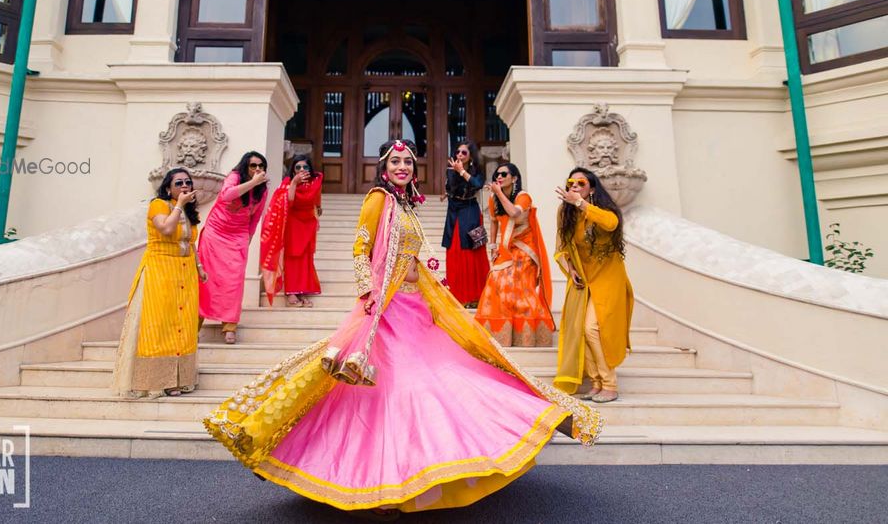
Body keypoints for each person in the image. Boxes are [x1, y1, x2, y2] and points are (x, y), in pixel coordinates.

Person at [204, 140, 602, 516]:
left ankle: (420, 477)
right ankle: (381, 486)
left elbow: (415, 256)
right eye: (395, 162)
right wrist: (368, 293)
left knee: (448, 380)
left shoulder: (407, 206)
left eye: (407, 162)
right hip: (387, 310)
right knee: (391, 394)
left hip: (416, 306)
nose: (401, 167)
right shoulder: (378, 200)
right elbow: (361, 247)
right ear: (383, 169)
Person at [112, 168, 207, 399]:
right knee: (160, 323)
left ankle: (179, 379)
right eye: (178, 183)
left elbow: (190, 242)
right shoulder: (159, 205)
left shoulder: (188, 211)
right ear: (168, 188)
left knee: (183, 324)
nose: (184, 186)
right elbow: (166, 229)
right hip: (160, 270)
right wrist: (178, 205)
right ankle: (156, 380)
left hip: (184, 273)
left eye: (187, 182)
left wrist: (200, 267)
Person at [553, 167, 634, 404]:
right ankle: (597, 383)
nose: (575, 187)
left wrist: (581, 204)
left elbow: (611, 224)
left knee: (591, 329)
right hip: (585, 281)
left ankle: (609, 384)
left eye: (581, 184)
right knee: (580, 330)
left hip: (609, 278)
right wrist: (572, 271)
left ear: (592, 190)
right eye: (571, 183)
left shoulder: (601, 211)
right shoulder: (564, 213)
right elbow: (561, 249)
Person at [474, 163, 555, 347]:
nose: (499, 177)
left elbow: (514, 213)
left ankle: (527, 334)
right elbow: (494, 222)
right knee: (495, 280)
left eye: (504, 174)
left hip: (525, 250)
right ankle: (500, 334)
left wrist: (499, 193)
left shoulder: (523, 197)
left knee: (517, 287)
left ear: (515, 178)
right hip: (506, 249)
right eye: (497, 174)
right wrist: (493, 245)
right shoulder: (494, 200)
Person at [199, 151, 269, 344]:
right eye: (253, 165)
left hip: (238, 236)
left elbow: (255, 218)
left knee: (234, 281)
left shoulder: (262, 189)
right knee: (207, 279)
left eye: (261, 166)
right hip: (215, 233)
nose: (257, 169)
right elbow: (226, 196)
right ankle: (195, 322)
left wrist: (248, 239)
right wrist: (253, 183)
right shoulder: (235, 177)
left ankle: (229, 326)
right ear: (245, 166)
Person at [260, 154, 323, 307]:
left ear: (310, 168)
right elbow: (289, 202)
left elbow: (316, 201)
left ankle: (302, 290)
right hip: (293, 223)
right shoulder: (288, 182)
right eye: (298, 167)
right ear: (293, 170)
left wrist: (317, 214)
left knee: (306, 258)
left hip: (309, 222)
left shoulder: (316, 181)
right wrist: (294, 183)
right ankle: (291, 292)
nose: (302, 170)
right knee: (293, 256)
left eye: (305, 167)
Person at [440, 140, 489, 308]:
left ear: (471, 157)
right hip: (454, 210)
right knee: (453, 250)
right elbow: (452, 188)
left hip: (470, 210)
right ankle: (457, 295)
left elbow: (477, 184)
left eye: (464, 153)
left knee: (472, 251)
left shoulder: (476, 171)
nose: (459, 155)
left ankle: (475, 296)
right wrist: (447, 193)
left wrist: (462, 172)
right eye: (458, 152)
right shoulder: (451, 170)